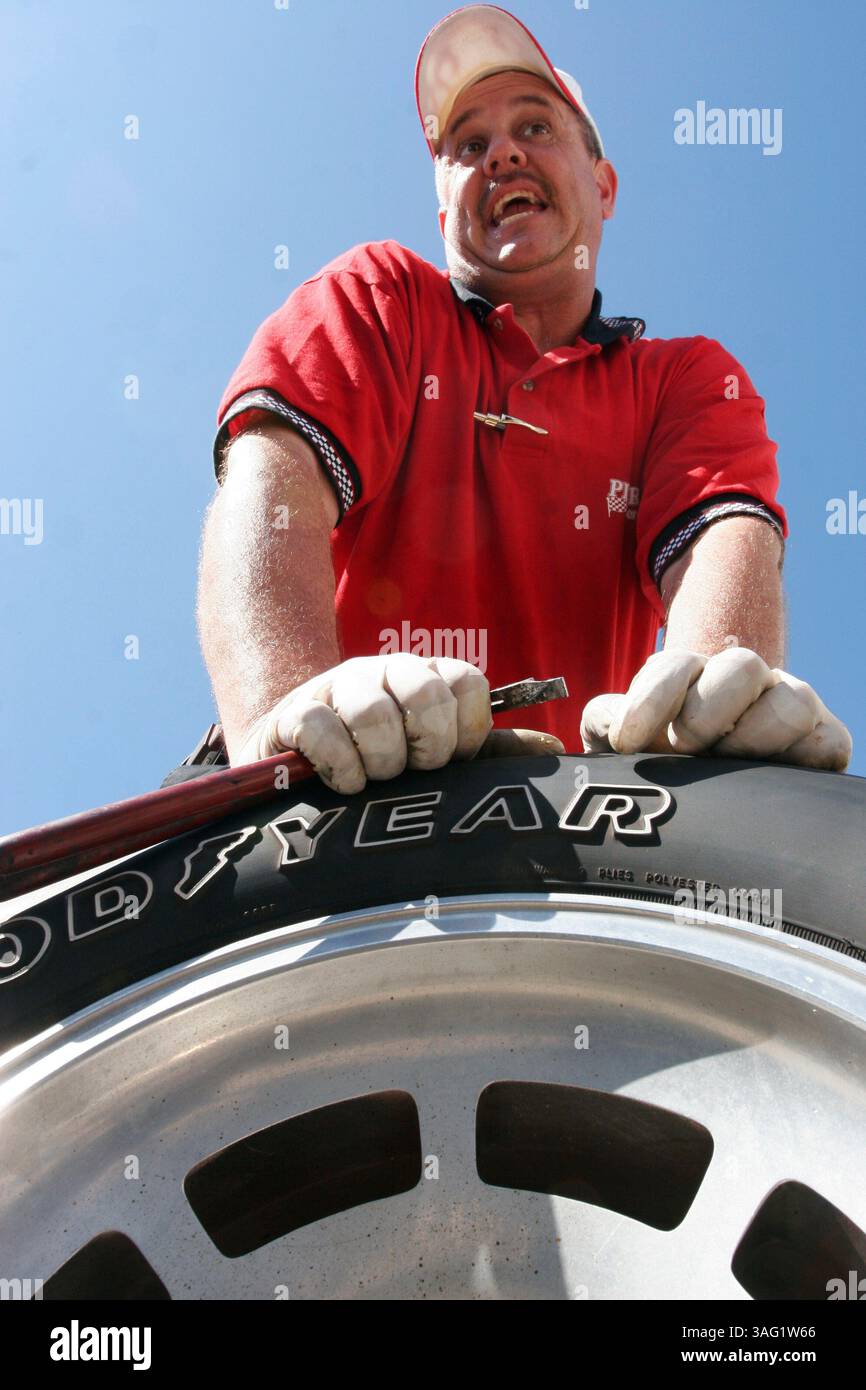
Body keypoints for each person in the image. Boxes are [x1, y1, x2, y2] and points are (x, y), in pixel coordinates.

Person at [197, 3, 851, 794]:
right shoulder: (380, 298)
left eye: (536, 127)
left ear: (604, 187)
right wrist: (282, 718)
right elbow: (274, 477)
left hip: (582, 824)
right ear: (445, 211)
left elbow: (724, 534)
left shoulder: (683, 377)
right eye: (468, 144)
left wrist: (711, 713)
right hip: (338, 795)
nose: (501, 152)